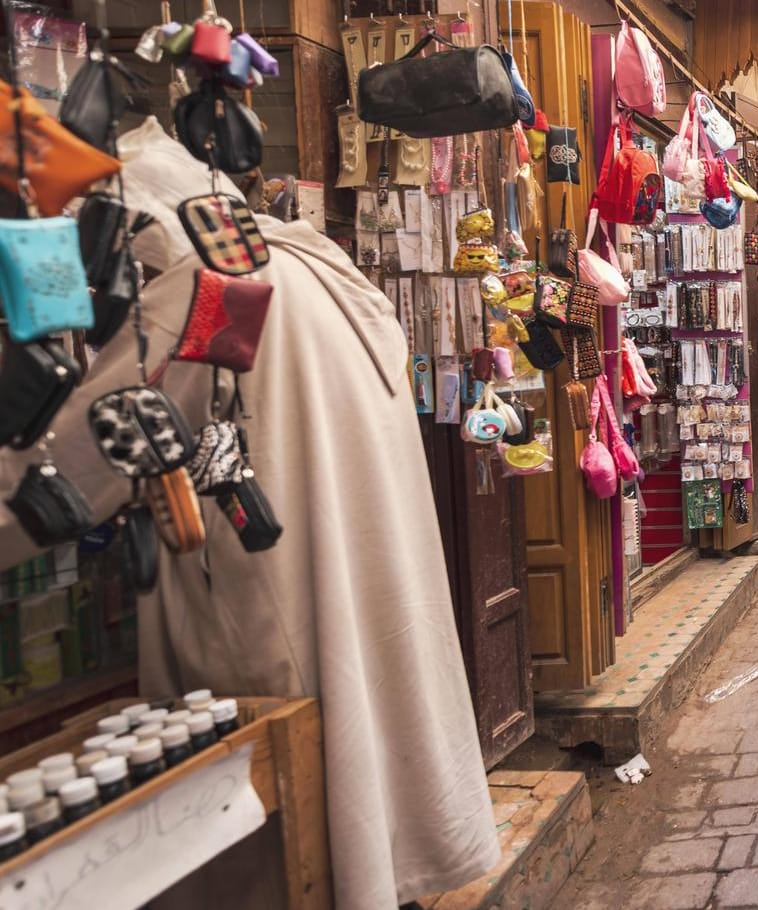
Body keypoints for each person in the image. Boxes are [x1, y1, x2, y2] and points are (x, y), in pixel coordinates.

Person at [0, 119, 498, 907]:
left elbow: (66, 467)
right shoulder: (319, 272)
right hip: (364, 607)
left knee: (307, 847)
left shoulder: (214, 297)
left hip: (285, 633)